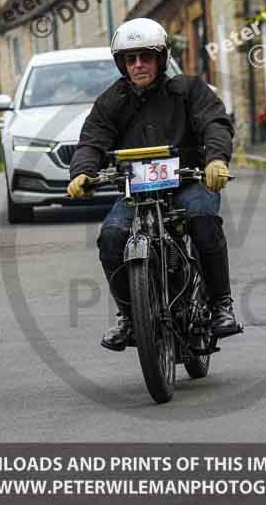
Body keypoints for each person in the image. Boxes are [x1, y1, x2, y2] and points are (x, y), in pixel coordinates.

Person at [67, 17, 239, 352]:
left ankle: (221, 304)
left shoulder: (189, 91)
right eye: (130, 59)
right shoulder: (110, 101)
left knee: (203, 219)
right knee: (111, 238)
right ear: (122, 64)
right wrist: (82, 172)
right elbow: (92, 140)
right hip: (136, 190)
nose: (138, 64)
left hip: (187, 183)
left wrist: (216, 160)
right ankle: (130, 318)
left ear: (160, 59)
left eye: (145, 56)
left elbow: (215, 123)